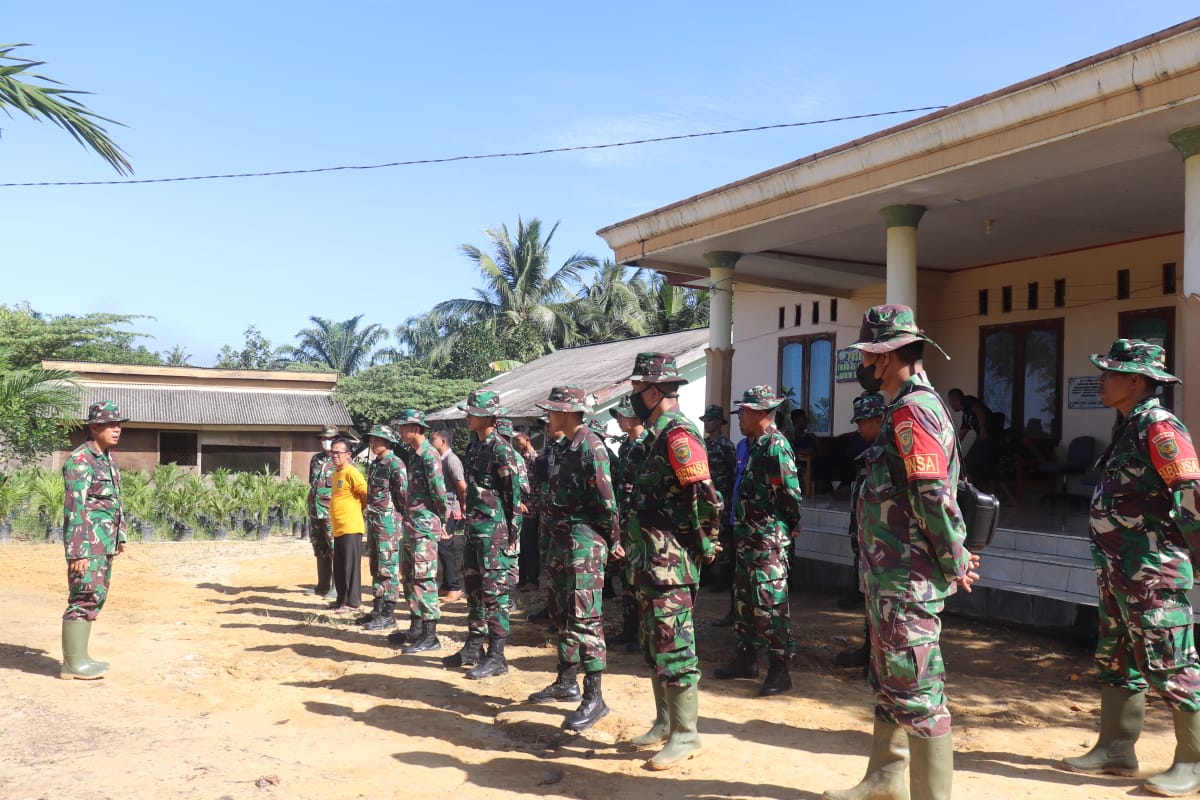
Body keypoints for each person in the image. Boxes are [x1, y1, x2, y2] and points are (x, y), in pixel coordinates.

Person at [824, 304, 979, 800]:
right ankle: (885, 780)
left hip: (907, 576)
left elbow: (932, 493)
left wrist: (955, 559)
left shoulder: (914, 410)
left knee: (918, 692)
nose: (866, 365)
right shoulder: (904, 407)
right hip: (890, 574)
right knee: (892, 683)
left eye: (870, 355)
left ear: (887, 357)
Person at [1061, 338, 1200, 796]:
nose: (1102, 380)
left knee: (1172, 661)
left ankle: (1194, 762)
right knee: (1117, 655)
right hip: (1120, 567)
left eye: (1111, 373)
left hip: (1151, 569)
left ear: (1136, 381)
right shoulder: (1128, 425)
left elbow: (1190, 495)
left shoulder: (1158, 427)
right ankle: (1118, 748)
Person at [622, 352, 722, 770]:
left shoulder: (679, 434)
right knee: (654, 643)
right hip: (649, 560)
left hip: (670, 562)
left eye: (638, 388)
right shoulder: (653, 435)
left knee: (675, 643)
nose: (633, 395)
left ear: (659, 389)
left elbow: (704, 497)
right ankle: (664, 723)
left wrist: (705, 544)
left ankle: (686, 734)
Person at [528, 386, 621, 731]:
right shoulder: (566, 446)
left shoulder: (591, 447)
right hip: (562, 541)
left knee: (586, 619)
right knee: (563, 614)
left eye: (552, 411)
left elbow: (607, 502)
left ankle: (594, 698)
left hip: (584, 543)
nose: (548, 417)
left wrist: (613, 541)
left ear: (567, 413)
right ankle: (566, 682)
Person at [713, 385, 803, 697]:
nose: (739, 415)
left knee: (769, 602)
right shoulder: (753, 445)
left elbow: (790, 494)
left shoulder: (775, 446)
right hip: (746, 536)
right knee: (744, 601)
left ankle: (780, 668)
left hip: (767, 539)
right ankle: (746, 657)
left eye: (745, 411)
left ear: (762, 413)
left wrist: (789, 525)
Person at [443, 390, 522, 679]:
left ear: (489, 416)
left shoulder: (501, 449)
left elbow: (514, 496)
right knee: (474, 589)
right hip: (475, 529)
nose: (468, 417)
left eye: (473, 413)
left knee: (495, 593)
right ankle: (474, 646)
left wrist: (512, 537)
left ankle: (497, 655)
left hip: (495, 533)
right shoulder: (474, 446)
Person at [60, 400, 129, 680]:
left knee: (96, 595)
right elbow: (74, 508)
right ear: (94, 427)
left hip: (103, 543)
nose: (116, 430)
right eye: (110, 425)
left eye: (118, 424)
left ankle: (81, 657)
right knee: (84, 596)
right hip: (87, 544)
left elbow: (113, 503)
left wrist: (119, 536)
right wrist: (77, 552)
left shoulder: (106, 459)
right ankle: (72, 664)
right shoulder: (80, 461)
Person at [388, 409, 449, 653]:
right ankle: (416, 627)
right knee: (410, 577)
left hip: (424, 524)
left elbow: (439, 492)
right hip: (412, 523)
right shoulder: (414, 455)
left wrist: (441, 520)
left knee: (425, 578)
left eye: (403, 427)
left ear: (415, 428)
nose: (400, 431)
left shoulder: (428, 455)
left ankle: (430, 634)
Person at [833, 391, 886, 669]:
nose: (858, 428)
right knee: (870, 600)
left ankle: (877, 658)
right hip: (869, 538)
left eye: (862, 422)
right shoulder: (869, 451)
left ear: (877, 419)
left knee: (883, 607)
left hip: (887, 545)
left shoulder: (892, 452)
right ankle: (869, 650)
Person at [607, 396, 647, 652]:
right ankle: (629, 629)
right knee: (627, 579)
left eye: (623, 415)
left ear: (635, 417)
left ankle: (643, 634)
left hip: (641, 525)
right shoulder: (626, 447)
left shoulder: (648, 446)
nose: (619, 420)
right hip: (625, 522)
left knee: (641, 580)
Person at [358, 425, 407, 631]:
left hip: (388, 524)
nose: (373, 443)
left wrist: (397, 519)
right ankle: (377, 610)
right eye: (371, 440)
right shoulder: (377, 463)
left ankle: (388, 614)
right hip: (375, 522)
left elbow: (403, 496)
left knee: (388, 569)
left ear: (388, 442)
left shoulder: (395, 464)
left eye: (377, 440)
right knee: (376, 567)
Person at [700, 404, 738, 596]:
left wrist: (730, 501)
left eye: (710, 420)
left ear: (718, 422)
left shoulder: (726, 445)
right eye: (705, 420)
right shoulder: (703, 445)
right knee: (705, 535)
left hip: (722, 500)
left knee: (722, 538)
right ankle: (705, 575)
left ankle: (723, 578)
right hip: (705, 501)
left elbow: (733, 473)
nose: (707, 423)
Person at [328, 436, 368, 613]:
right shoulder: (337, 473)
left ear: (348, 454)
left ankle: (352, 602)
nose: (334, 455)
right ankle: (341, 599)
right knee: (339, 567)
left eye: (338, 453)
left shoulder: (352, 472)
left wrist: (360, 510)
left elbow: (365, 493)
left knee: (350, 568)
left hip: (351, 526)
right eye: (332, 452)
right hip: (339, 528)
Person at [431, 429, 466, 603]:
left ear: (443, 441)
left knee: (445, 547)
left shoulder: (452, 460)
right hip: (442, 510)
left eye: (434, 439)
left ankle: (455, 587)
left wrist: (464, 506)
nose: (431, 441)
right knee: (441, 547)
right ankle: (446, 585)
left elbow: (461, 485)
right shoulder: (439, 459)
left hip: (450, 510)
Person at [306, 425, 339, 600]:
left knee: (334, 547)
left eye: (330, 439)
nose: (326, 442)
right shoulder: (316, 459)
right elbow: (312, 482)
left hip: (331, 511)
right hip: (315, 508)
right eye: (323, 439)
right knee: (319, 546)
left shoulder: (342, 461)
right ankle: (322, 584)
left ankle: (336, 587)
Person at [513, 431, 542, 592]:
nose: (516, 443)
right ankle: (522, 578)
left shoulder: (534, 458)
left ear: (527, 440)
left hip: (531, 508)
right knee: (521, 545)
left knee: (529, 544)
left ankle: (532, 579)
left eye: (518, 440)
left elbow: (535, 486)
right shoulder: (519, 457)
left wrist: (529, 503)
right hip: (520, 507)